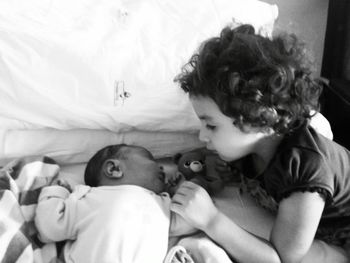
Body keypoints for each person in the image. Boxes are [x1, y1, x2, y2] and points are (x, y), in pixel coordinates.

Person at [171, 24, 350, 262]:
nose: (202, 136)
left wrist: (211, 220)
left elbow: (278, 259)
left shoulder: (304, 166)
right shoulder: (245, 148)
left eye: (211, 125)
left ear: (263, 119)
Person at [35, 144, 196, 263]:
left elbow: (190, 221)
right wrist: (58, 191)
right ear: (114, 169)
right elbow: (49, 227)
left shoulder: (162, 203)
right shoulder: (88, 197)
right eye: (150, 159)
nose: (161, 166)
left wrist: (180, 191)